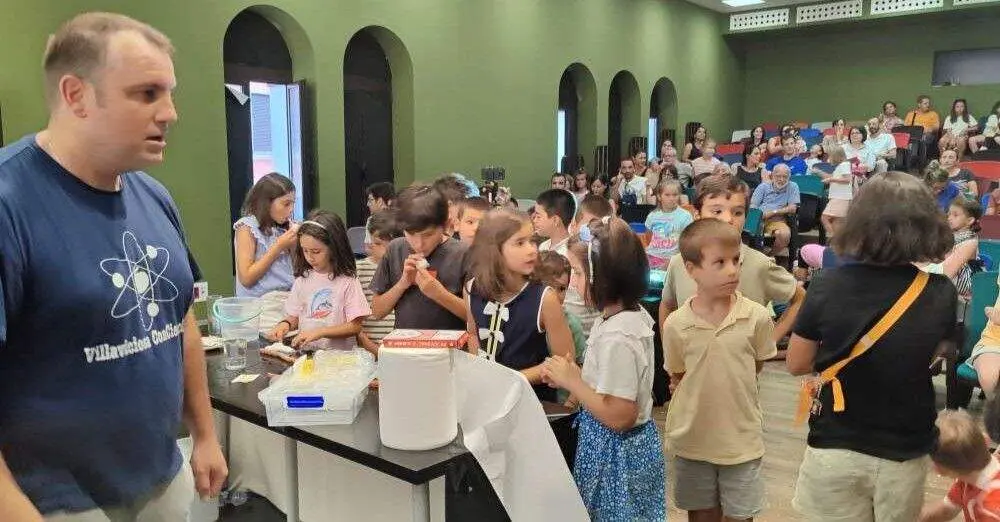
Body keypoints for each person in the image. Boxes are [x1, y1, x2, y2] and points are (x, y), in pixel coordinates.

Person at [0, 12, 227, 520]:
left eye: (169, 93)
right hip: (52, 500)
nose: (170, 113)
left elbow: (180, 320)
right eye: (146, 94)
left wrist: (205, 433)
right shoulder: (9, 203)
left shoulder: (154, 195)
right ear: (76, 95)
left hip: (159, 477)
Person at [787, 171, 957, 522]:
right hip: (905, 446)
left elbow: (797, 363)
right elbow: (929, 356)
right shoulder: (941, 292)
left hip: (835, 440)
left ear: (859, 223)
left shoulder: (827, 284)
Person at [541, 217, 665, 521]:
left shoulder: (618, 336)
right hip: (612, 446)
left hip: (615, 454)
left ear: (604, 278)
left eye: (578, 273)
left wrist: (574, 382)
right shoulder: (622, 316)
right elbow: (608, 385)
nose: (573, 283)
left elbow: (621, 415)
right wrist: (571, 376)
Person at [664, 218, 777, 522]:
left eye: (736, 260)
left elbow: (756, 364)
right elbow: (678, 374)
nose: (732, 270)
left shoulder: (756, 317)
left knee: (741, 515)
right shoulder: (675, 324)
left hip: (741, 441)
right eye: (720, 262)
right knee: (701, 514)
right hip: (693, 440)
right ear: (691, 269)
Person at [658, 174, 805, 345]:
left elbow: (800, 297)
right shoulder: (679, 262)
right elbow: (667, 305)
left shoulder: (759, 264)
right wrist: (669, 349)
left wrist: (770, 342)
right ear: (697, 215)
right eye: (717, 211)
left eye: (737, 213)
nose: (728, 219)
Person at [465, 210, 573, 402]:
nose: (532, 250)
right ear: (493, 250)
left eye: (532, 241)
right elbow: (473, 334)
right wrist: (480, 369)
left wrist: (511, 379)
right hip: (486, 398)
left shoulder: (545, 298)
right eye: (520, 243)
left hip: (532, 401)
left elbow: (565, 360)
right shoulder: (472, 288)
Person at [267, 211, 370, 350]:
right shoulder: (302, 279)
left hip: (339, 358)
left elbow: (355, 326)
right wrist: (285, 324)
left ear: (334, 248)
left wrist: (320, 332)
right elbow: (294, 316)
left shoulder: (347, 281)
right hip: (308, 355)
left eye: (316, 251)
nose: (310, 257)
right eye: (305, 250)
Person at [371, 183, 468, 330]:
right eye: (410, 234)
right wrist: (402, 283)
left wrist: (439, 294)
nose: (419, 244)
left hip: (451, 344)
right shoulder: (396, 249)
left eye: (428, 235)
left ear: (446, 224)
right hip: (405, 344)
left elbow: (477, 318)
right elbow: (377, 312)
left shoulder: (463, 254)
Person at [918, 409, 1000, 521]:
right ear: (985, 440)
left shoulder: (991, 508)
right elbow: (945, 510)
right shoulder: (968, 479)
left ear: (940, 470)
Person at [233, 173, 297, 297]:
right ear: (267, 203)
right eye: (286, 204)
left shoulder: (284, 229)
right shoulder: (247, 227)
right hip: (258, 303)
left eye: (293, 203)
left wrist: (295, 245)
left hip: (288, 298)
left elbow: (296, 272)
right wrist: (278, 247)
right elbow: (246, 279)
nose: (291, 209)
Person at [356, 210, 402, 354]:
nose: (371, 246)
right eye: (372, 241)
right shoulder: (359, 270)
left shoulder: (406, 269)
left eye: (378, 243)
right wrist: (364, 340)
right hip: (369, 348)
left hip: (401, 348)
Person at [533, 251, 588, 364]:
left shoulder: (572, 324)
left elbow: (579, 364)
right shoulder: (523, 316)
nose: (554, 295)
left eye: (562, 288)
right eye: (548, 287)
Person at [751, 164, 800, 257]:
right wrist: (760, 215)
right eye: (778, 176)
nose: (781, 179)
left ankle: (768, 256)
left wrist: (773, 212)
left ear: (789, 177)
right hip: (759, 219)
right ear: (772, 175)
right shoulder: (763, 186)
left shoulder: (793, 186)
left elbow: (792, 208)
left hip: (777, 220)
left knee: (785, 235)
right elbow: (753, 206)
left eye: (785, 177)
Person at [645, 179, 694, 270]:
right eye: (667, 195)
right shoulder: (652, 216)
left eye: (675, 195)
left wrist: (673, 260)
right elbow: (649, 237)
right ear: (659, 196)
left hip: (673, 259)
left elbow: (687, 242)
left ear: (679, 196)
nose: (671, 198)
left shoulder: (685, 216)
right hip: (652, 255)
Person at [819, 145, 852, 238]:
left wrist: (831, 179)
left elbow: (847, 179)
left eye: (830, 155)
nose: (829, 158)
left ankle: (835, 239)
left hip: (841, 198)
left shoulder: (844, 164)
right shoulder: (840, 166)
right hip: (837, 197)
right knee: (836, 223)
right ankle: (837, 242)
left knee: (824, 218)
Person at [533, 188, 575, 256]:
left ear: (555, 220)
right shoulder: (543, 247)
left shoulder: (570, 254)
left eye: (538, 217)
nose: (534, 220)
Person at [905, 95, 942, 165]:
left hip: (927, 135)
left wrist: (923, 128)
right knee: (913, 139)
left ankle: (917, 159)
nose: (928, 105)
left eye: (928, 103)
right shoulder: (911, 114)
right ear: (919, 104)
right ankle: (913, 158)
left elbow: (936, 127)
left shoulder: (933, 114)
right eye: (925, 103)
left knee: (922, 138)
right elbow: (906, 128)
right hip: (913, 136)